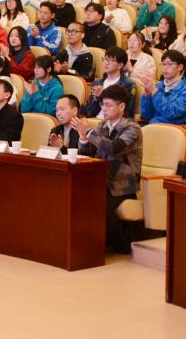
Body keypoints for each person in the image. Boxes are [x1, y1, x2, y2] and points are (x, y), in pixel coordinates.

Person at [74, 85, 143, 253]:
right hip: (101, 179)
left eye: (108, 105)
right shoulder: (102, 125)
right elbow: (88, 154)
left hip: (122, 184)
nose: (104, 109)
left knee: (94, 203)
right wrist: (83, 139)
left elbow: (113, 148)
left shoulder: (132, 129)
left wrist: (88, 133)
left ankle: (121, 240)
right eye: (102, 105)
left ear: (122, 106)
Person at [140, 50, 186, 125]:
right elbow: (147, 115)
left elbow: (172, 113)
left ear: (180, 67)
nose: (165, 68)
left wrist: (155, 92)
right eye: (163, 64)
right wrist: (147, 96)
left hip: (175, 129)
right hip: (155, 126)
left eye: (170, 64)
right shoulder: (158, 86)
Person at [82, 47, 137, 118]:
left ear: (120, 65)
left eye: (111, 60)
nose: (106, 63)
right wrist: (97, 99)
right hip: (96, 120)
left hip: (114, 122)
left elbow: (127, 112)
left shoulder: (128, 84)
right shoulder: (97, 83)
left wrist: (103, 96)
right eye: (105, 59)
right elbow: (90, 112)